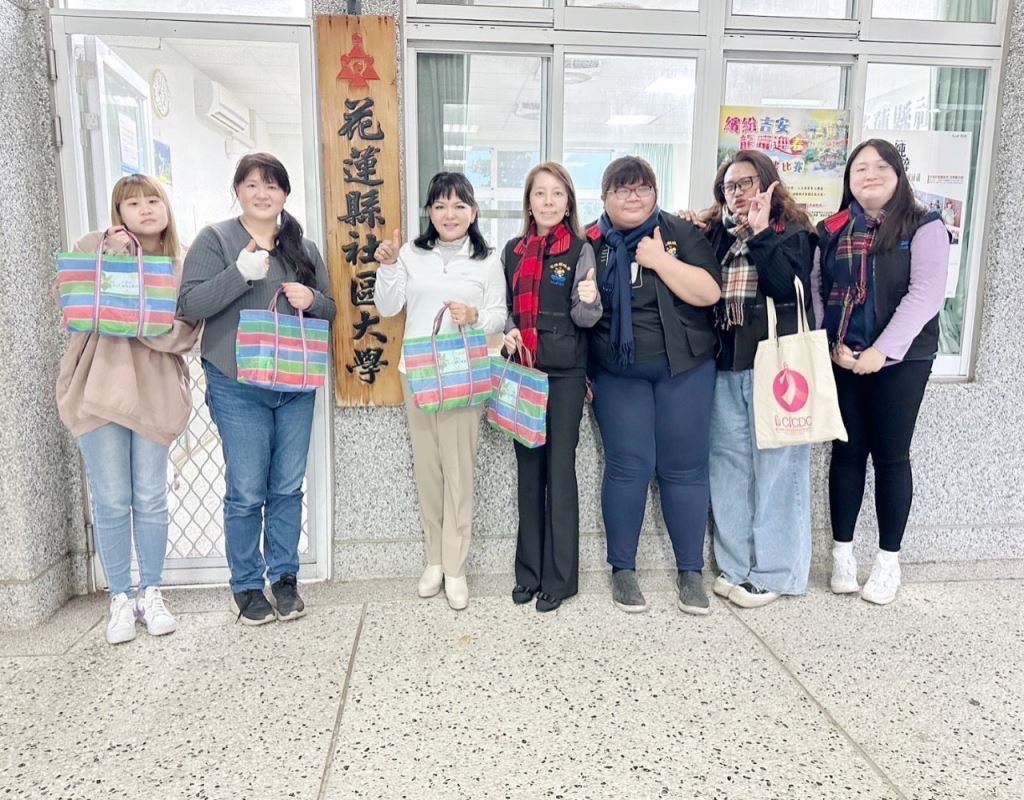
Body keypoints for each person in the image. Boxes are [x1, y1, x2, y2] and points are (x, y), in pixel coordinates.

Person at [179, 152, 336, 625]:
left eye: (271, 185)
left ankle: (285, 578)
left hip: (294, 383)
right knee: (247, 489)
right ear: (238, 191)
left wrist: (313, 299)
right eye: (251, 185)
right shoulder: (216, 240)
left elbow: (330, 309)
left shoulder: (303, 248)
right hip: (237, 382)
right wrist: (239, 274)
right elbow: (191, 304)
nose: (261, 194)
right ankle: (246, 585)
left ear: (284, 193)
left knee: (287, 485)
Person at [56, 173, 201, 645]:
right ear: (118, 213)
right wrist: (115, 255)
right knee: (112, 497)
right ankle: (120, 596)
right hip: (98, 388)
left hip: (154, 392)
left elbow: (187, 331)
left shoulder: (181, 264)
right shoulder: (94, 249)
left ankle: (151, 591)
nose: (145, 209)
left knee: (151, 495)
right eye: (132, 203)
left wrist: (137, 323)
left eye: (153, 200)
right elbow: (76, 305)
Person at [813, 138, 949, 606]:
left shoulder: (924, 225)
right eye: (860, 169)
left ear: (897, 175)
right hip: (844, 356)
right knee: (846, 453)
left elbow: (925, 295)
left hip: (903, 361)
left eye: (879, 167)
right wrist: (830, 343)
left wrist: (882, 351)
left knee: (891, 456)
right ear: (849, 180)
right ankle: (842, 556)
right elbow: (818, 288)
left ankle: (888, 561)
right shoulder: (832, 229)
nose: (869, 175)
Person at [679, 150, 816, 608]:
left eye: (746, 182)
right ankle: (736, 565)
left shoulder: (793, 231)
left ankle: (776, 572)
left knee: (778, 468)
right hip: (725, 362)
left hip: (776, 367)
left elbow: (785, 287)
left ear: (768, 183)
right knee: (729, 465)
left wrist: (759, 233)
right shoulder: (717, 234)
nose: (738, 193)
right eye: (730, 186)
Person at [586, 156, 722, 615]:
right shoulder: (590, 242)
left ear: (656, 193)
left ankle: (690, 573)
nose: (633, 197)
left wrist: (660, 260)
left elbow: (709, 292)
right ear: (604, 197)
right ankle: (623, 570)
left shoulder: (680, 233)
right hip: (617, 372)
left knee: (684, 468)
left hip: (684, 368)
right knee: (629, 466)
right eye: (622, 189)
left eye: (642, 188)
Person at [373, 172, 506, 611]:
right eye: (441, 205)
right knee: (428, 469)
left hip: (463, 372)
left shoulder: (487, 260)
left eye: (459, 205)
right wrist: (388, 266)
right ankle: (434, 560)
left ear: (474, 212)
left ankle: (456, 566)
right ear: (429, 211)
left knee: (459, 471)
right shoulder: (411, 254)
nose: (450, 214)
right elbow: (388, 306)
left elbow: (499, 315)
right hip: (418, 372)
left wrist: (475, 316)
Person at [500, 162, 602, 613]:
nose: (548, 202)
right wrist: (508, 331)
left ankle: (560, 578)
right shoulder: (512, 251)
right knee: (529, 473)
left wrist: (590, 301)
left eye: (556, 194)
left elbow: (586, 318)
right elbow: (505, 308)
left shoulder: (580, 249)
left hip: (565, 375)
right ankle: (528, 573)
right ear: (529, 202)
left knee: (559, 472)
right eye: (540, 193)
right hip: (524, 370)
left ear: (568, 202)